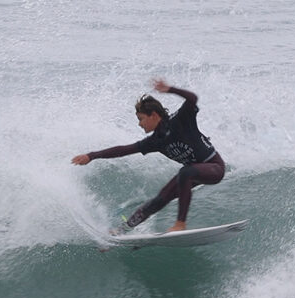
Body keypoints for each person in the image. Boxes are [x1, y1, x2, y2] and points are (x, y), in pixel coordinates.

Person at [71, 79, 225, 233]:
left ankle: (180, 224)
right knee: (160, 199)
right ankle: (122, 230)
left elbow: (192, 98)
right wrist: (91, 156)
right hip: (192, 172)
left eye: (141, 118)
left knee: (185, 172)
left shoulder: (180, 120)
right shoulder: (155, 141)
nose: (139, 124)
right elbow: (123, 150)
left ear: (153, 115)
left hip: (214, 167)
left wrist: (170, 89)